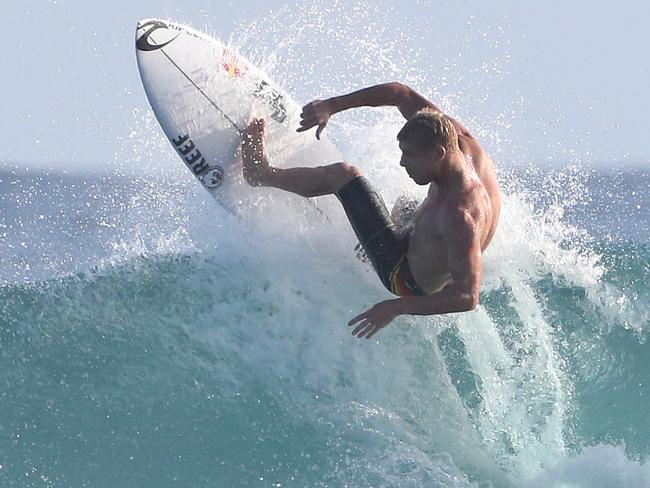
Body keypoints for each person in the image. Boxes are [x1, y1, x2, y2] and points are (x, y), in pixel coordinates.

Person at [240, 82, 501, 339]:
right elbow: (400, 93)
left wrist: (398, 306)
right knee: (407, 205)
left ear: (438, 153)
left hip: (404, 276)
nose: (402, 163)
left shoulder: (459, 215)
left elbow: (467, 296)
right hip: (431, 251)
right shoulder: (462, 143)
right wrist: (332, 106)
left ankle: (260, 173)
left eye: (410, 156)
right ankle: (376, 240)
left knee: (343, 174)